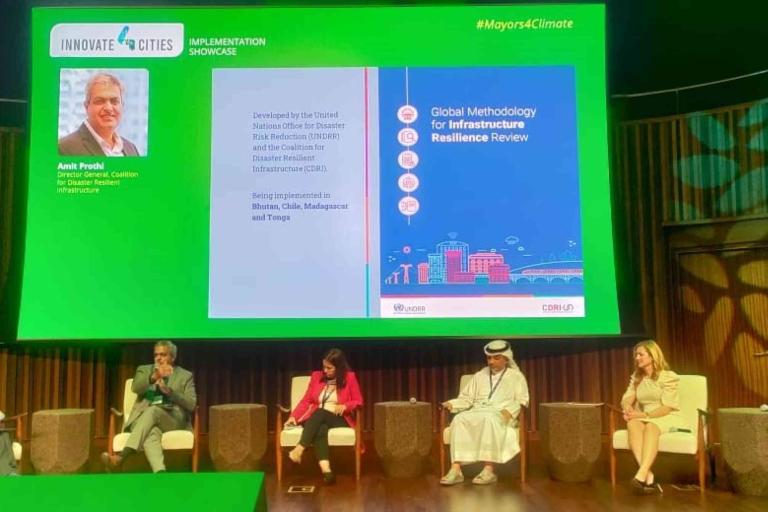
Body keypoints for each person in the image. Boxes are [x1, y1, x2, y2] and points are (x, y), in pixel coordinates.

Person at [440, 339, 529, 485]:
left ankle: (489, 470)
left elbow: (522, 400)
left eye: (496, 358)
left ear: (506, 359)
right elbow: (467, 398)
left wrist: (509, 411)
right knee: (459, 419)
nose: (491, 362)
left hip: (501, 414)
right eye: (489, 358)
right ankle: (456, 470)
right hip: (478, 410)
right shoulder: (480, 375)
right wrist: (451, 403)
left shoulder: (516, 377)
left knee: (489, 419)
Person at [101, 340, 196, 473]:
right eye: (156, 354)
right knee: (151, 431)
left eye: (163, 354)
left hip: (172, 419)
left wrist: (170, 392)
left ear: (173, 357)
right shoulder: (144, 370)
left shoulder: (185, 376)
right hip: (143, 420)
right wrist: (154, 376)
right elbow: (136, 387)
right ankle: (160, 472)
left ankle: (121, 457)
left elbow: (191, 404)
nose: (158, 357)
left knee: (154, 410)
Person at [284, 348, 363, 484]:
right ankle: (327, 471)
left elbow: (359, 401)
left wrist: (345, 406)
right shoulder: (316, 377)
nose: (325, 371)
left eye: (329, 368)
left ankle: (299, 449)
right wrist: (294, 417)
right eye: (323, 367)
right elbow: (306, 401)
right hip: (317, 418)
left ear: (338, 368)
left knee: (320, 412)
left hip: (339, 418)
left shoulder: (349, 378)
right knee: (320, 427)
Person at [620, 339, 681, 494]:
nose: (637, 358)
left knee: (651, 427)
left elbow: (667, 407)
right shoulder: (637, 377)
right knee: (632, 424)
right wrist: (628, 407)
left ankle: (641, 475)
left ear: (652, 356)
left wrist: (643, 414)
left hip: (666, 416)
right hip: (645, 416)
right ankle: (648, 474)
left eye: (641, 354)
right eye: (636, 355)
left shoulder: (668, 377)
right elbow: (627, 397)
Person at [58, 72, 140, 156]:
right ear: (86, 107)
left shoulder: (131, 149)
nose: (108, 108)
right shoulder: (64, 148)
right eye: (99, 101)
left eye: (114, 101)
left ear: (122, 106)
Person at [0, 410, 19, 476]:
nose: (3, 424)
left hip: (8, 471)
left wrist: (14, 470)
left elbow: (11, 458)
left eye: (3, 422)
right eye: (1, 422)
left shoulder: (5, 435)